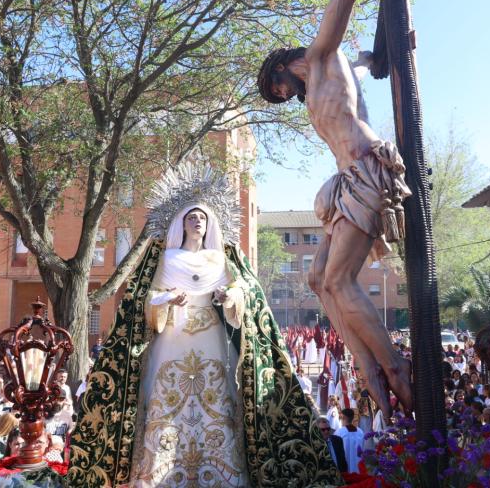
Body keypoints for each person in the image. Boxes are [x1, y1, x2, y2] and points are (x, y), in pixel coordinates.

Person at [69, 165, 340, 487]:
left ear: (210, 224)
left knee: (218, 398)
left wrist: (230, 296)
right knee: (165, 399)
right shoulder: (164, 259)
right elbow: (145, 300)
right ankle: (159, 472)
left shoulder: (223, 259)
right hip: (173, 337)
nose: (197, 222)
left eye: (202, 218)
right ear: (180, 224)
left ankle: (223, 472)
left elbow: (245, 294)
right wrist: (167, 300)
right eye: (191, 218)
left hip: (211, 336)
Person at [258, 0, 412, 416]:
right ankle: (367, 366)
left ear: (282, 65)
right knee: (316, 278)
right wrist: (366, 61)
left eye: (278, 87)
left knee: (339, 280)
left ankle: (394, 366)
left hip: (365, 169)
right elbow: (357, 70)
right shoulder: (334, 70)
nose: (284, 94)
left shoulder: (322, 54)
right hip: (347, 178)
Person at [333, 408, 364, 474]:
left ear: (343, 417)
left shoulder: (339, 432)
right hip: (358, 467)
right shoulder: (360, 432)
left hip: (344, 468)